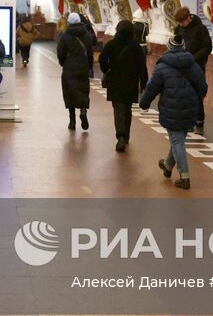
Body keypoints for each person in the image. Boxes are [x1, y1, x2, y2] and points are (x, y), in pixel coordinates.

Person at [139, 32, 205, 190]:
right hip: (190, 108)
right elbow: (203, 87)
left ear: (168, 48)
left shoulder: (162, 66)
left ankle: (185, 176)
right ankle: (168, 166)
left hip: (171, 108)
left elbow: (152, 88)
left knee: (177, 141)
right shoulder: (193, 65)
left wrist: (144, 103)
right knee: (178, 140)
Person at [99, 19, 148, 152]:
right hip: (131, 82)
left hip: (115, 81)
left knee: (118, 108)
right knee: (127, 109)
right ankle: (126, 136)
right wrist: (143, 83)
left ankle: (120, 135)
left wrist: (107, 70)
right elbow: (142, 66)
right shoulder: (136, 46)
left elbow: (102, 59)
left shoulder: (112, 44)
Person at [174, 6, 213, 135]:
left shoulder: (200, 29)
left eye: (182, 22)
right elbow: (176, 44)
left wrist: (193, 58)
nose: (181, 25)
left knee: (196, 94)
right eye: (179, 23)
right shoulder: (179, 28)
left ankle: (199, 122)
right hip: (183, 66)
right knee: (184, 94)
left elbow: (208, 47)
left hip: (197, 66)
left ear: (188, 18)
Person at [56, 13, 94, 131]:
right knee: (83, 91)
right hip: (83, 67)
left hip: (69, 68)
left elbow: (60, 53)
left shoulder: (65, 36)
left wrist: (63, 63)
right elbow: (90, 53)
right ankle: (83, 111)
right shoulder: (86, 35)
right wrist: (89, 66)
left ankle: (72, 122)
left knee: (70, 93)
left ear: (69, 22)